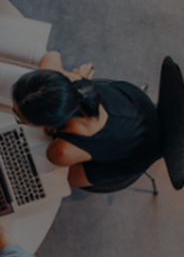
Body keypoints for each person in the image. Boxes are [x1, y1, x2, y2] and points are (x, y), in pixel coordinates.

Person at [12, 51, 162, 188]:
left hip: (139, 155)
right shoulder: (73, 81)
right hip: (138, 105)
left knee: (58, 182)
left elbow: (62, 166)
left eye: (19, 117)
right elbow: (51, 55)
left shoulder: (60, 151)